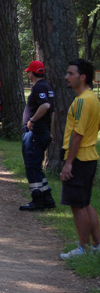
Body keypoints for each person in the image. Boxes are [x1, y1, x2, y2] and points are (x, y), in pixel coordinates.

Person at [59, 58, 100, 259]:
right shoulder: (93, 98)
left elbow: (78, 134)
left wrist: (69, 162)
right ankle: (96, 245)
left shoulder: (83, 101)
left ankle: (83, 248)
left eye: (71, 74)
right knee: (85, 202)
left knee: (77, 205)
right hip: (89, 156)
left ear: (82, 77)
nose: (67, 77)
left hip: (80, 158)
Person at [19, 60, 56, 211]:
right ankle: (47, 197)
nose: (28, 74)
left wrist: (31, 120)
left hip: (35, 132)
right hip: (43, 131)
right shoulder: (47, 87)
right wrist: (51, 131)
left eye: (28, 71)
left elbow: (46, 106)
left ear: (32, 73)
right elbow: (52, 112)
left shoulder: (39, 87)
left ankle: (37, 200)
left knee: (32, 166)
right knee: (36, 166)